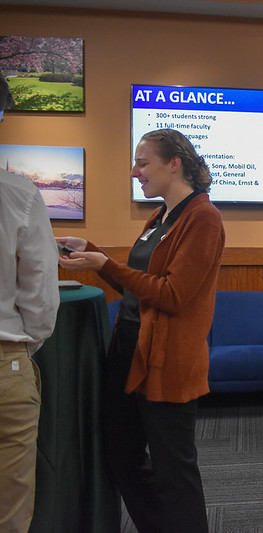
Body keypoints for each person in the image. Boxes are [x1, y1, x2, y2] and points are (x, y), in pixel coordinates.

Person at [58, 128, 225, 533]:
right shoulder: (161, 214)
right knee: (121, 456)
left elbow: (171, 295)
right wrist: (92, 251)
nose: (135, 171)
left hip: (167, 364)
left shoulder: (203, 217)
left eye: (143, 162)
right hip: (131, 354)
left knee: (174, 472)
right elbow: (139, 288)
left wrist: (103, 264)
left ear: (174, 164)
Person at [0, 74, 60, 533]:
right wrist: (22, 349)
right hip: (5, 365)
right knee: (10, 508)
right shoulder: (18, 194)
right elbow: (39, 296)